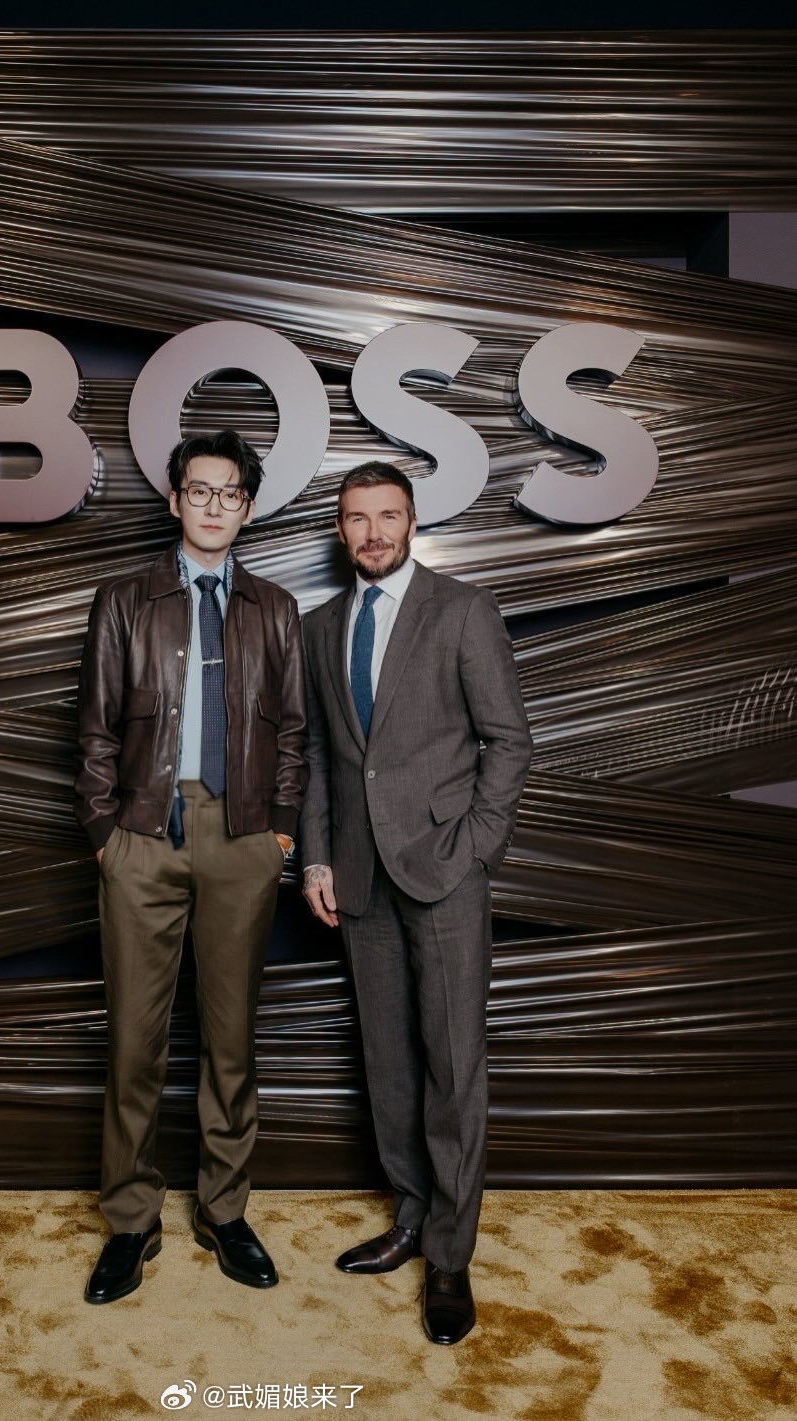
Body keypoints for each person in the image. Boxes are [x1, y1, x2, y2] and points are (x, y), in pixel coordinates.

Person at [300, 461, 532, 1345]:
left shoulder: (462, 611)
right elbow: (319, 755)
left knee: (452, 1066)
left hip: (444, 874)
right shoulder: (320, 627)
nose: (373, 533)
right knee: (389, 1063)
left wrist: (473, 849)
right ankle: (408, 1213)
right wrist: (317, 857)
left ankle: (449, 1254)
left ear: (412, 521)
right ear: (340, 529)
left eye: (388, 515)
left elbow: (509, 742)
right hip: (359, 878)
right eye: (358, 518)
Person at [74, 428, 307, 1304]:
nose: (214, 505)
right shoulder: (125, 599)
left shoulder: (273, 607)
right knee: (133, 1040)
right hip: (143, 833)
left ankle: (224, 1207)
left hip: (242, 838)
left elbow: (294, 731)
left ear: (248, 506)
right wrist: (105, 833)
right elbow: (95, 729)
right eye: (199, 490)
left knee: (230, 1038)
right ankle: (131, 1219)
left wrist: (280, 834)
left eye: (229, 492)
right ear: (174, 499)